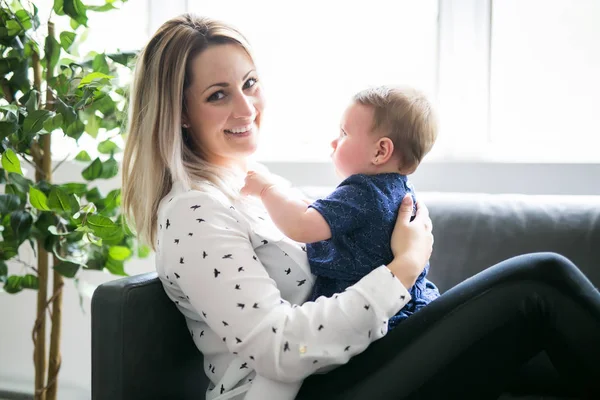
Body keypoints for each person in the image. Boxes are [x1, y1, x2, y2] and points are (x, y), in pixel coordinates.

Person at [122, 13, 600, 400]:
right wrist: (405, 268)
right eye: (218, 95)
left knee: (528, 339)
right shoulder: (193, 213)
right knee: (540, 282)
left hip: (351, 365)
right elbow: (280, 349)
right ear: (180, 114)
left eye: (249, 83)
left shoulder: (255, 187)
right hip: (305, 389)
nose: (246, 108)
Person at [241, 86, 440, 329]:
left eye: (344, 133)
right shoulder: (396, 189)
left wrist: (266, 190)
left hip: (382, 323)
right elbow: (323, 214)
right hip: (410, 305)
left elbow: (302, 225)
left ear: (380, 151)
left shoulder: (363, 192)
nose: (334, 141)